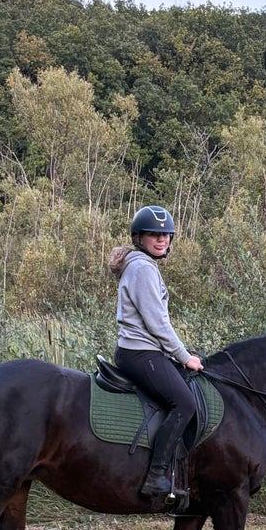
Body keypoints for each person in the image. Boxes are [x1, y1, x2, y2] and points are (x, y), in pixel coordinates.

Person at [110, 206, 204, 508]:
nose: (162, 239)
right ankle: (157, 476)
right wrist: (184, 355)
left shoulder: (143, 265)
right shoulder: (142, 268)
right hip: (141, 353)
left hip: (145, 351)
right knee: (185, 403)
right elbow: (157, 324)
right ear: (140, 237)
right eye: (154, 234)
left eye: (166, 234)